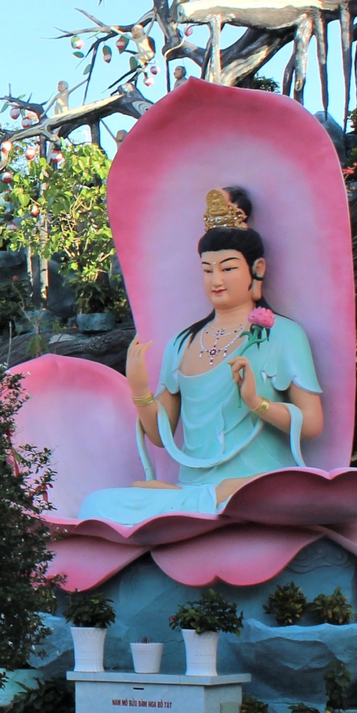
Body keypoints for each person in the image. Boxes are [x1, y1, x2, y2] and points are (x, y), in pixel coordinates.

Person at [78, 186, 324, 524]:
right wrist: (139, 391)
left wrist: (257, 403)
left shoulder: (283, 334)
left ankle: (195, 503)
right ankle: (195, 500)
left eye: (228, 268)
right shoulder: (183, 343)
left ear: (258, 269)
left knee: (263, 491)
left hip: (256, 485)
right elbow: (160, 437)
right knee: (98, 505)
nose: (216, 281)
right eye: (207, 270)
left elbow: (311, 424)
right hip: (199, 487)